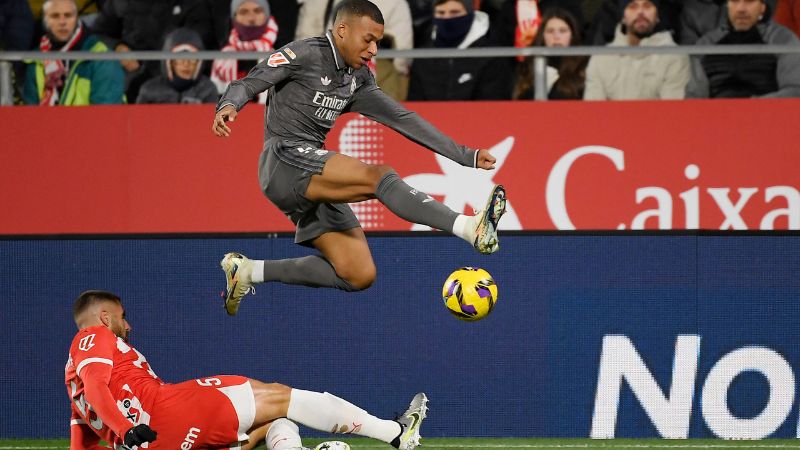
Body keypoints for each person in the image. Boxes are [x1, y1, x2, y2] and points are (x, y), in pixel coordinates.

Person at [211, 0, 507, 316]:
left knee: (358, 273)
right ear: (342, 30)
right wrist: (229, 105)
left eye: (378, 41)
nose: (374, 49)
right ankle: (468, 227)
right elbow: (249, 82)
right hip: (283, 159)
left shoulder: (358, 79)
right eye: (368, 39)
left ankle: (248, 271)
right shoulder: (305, 54)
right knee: (377, 176)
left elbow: (403, 118)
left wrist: (465, 155)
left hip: (311, 173)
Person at [67, 290, 428, 450]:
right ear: (105, 316)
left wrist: (127, 436)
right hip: (167, 412)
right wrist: (127, 428)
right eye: (123, 317)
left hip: (158, 442)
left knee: (269, 423)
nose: (127, 326)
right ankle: (397, 433)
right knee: (281, 397)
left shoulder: (72, 385)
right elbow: (98, 385)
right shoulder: (92, 336)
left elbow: (81, 441)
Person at [686, 0, 800, 98]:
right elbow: (694, 96)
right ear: (728, 6)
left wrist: (751, 107)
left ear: (762, 7)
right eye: (735, 1)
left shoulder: (782, 39)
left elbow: (794, 90)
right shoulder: (706, 44)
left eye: (749, 1)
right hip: (716, 117)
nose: (741, 9)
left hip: (768, 116)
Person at [407, 0, 513, 100]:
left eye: (455, 12)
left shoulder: (491, 57)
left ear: (469, 14)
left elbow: (493, 103)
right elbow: (416, 103)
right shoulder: (424, 58)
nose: (447, 18)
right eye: (441, 13)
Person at [583, 0, 690, 100]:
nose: (640, 12)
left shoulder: (675, 56)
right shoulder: (601, 58)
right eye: (632, 7)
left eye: (647, 6)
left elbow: (671, 110)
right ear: (623, 16)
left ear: (657, 16)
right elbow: (594, 111)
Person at [23, 0, 124, 105]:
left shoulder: (102, 59)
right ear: (44, 21)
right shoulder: (36, 60)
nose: (62, 22)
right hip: (47, 120)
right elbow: (30, 112)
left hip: (90, 121)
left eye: (68, 15)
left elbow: (105, 116)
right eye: (55, 16)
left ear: (77, 18)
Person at [210, 0, 279, 103]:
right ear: (234, 17)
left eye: (257, 11)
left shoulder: (282, 56)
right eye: (243, 12)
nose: (251, 18)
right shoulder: (222, 59)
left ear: (267, 15)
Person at [513, 8, 588, 100]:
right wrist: (539, 87)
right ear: (542, 36)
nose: (556, 36)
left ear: (572, 35)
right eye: (550, 31)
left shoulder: (583, 65)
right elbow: (519, 101)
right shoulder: (528, 64)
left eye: (563, 31)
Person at [137, 28, 219, 104]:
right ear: (170, 62)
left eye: (192, 59)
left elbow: (213, 118)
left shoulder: (207, 89)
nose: (186, 64)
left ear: (199, 63)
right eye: (180, 58)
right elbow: (137, 118)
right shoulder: (150, 90)